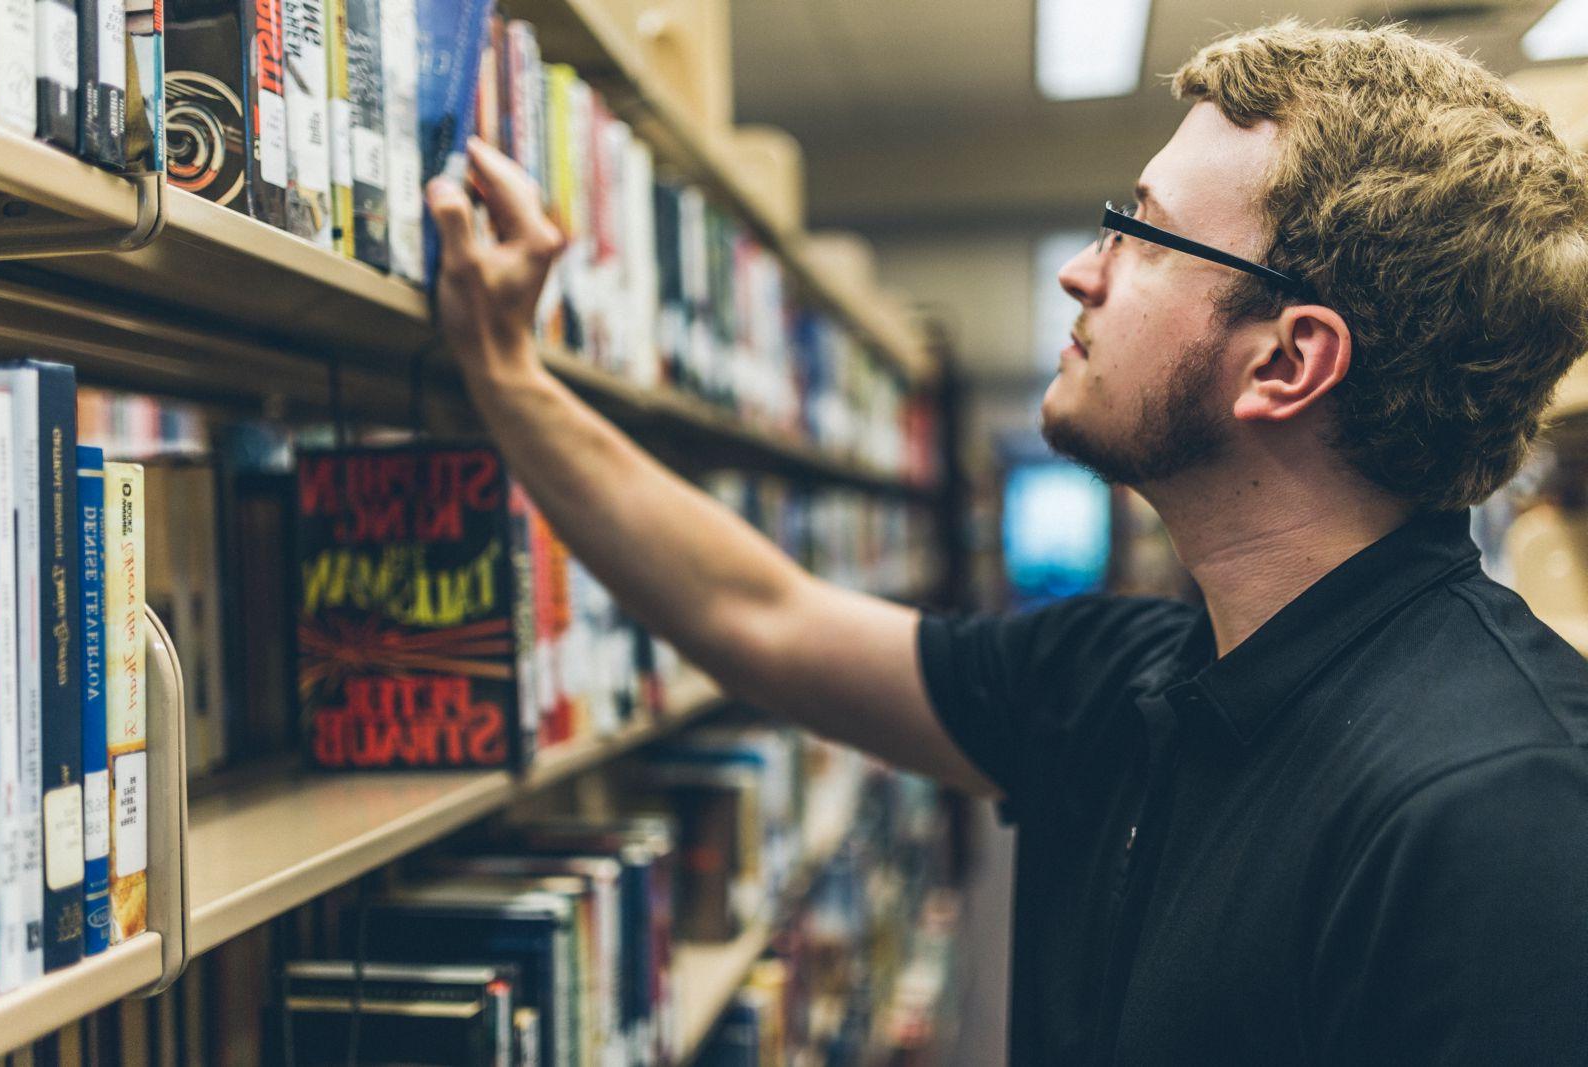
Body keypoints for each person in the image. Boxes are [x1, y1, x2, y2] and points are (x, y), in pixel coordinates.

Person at [424, 19, 1588, 1065]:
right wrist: (510, 377)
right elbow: (758, 615)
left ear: (1287, 360)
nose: (1085, 270)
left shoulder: (1505, 813)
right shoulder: (1127, 678)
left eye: (1142, 233)